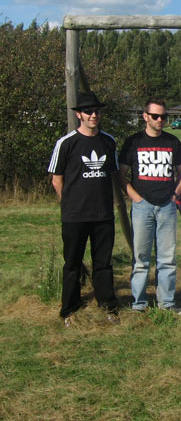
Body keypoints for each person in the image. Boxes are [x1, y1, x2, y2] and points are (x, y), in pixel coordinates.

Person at [48, 92, 121, 327]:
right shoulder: (66, 143)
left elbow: (113, 175)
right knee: (72, 264)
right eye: (88, 112)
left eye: (97, 111)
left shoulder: (108, 141)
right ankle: (69, 308)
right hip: (74, 216)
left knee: (103, 263)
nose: (93, 115)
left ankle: (108, 305)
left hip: (103, 215)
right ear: (79, 114)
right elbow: (56, 179)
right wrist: (69, 203)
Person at [119, 98, 181, 312]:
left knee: (167, 258)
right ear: (145, 117)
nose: (160, 120)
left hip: (167, 206)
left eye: (163, 116)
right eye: (156, 116)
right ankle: (138, 303)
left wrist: (175, 194)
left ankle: (166, 302)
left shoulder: (172, 142)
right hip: (142, 207)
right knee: (141, 258)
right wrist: (135, 197)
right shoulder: (133, 142)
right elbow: (120, 175)